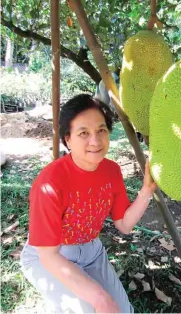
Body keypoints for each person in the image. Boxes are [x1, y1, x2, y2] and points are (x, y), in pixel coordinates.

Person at [20, 94, 157, 314]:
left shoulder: (112, 170)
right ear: (68, 139)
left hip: (91, 251)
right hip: (49, 256)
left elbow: (124, 224)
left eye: (101, 130)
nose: (95, 141)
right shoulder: (50, 182)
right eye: (83, 133)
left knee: (122, 311)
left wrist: (146, 192)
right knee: (91, 308)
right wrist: (100, 298)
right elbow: (48, 255)